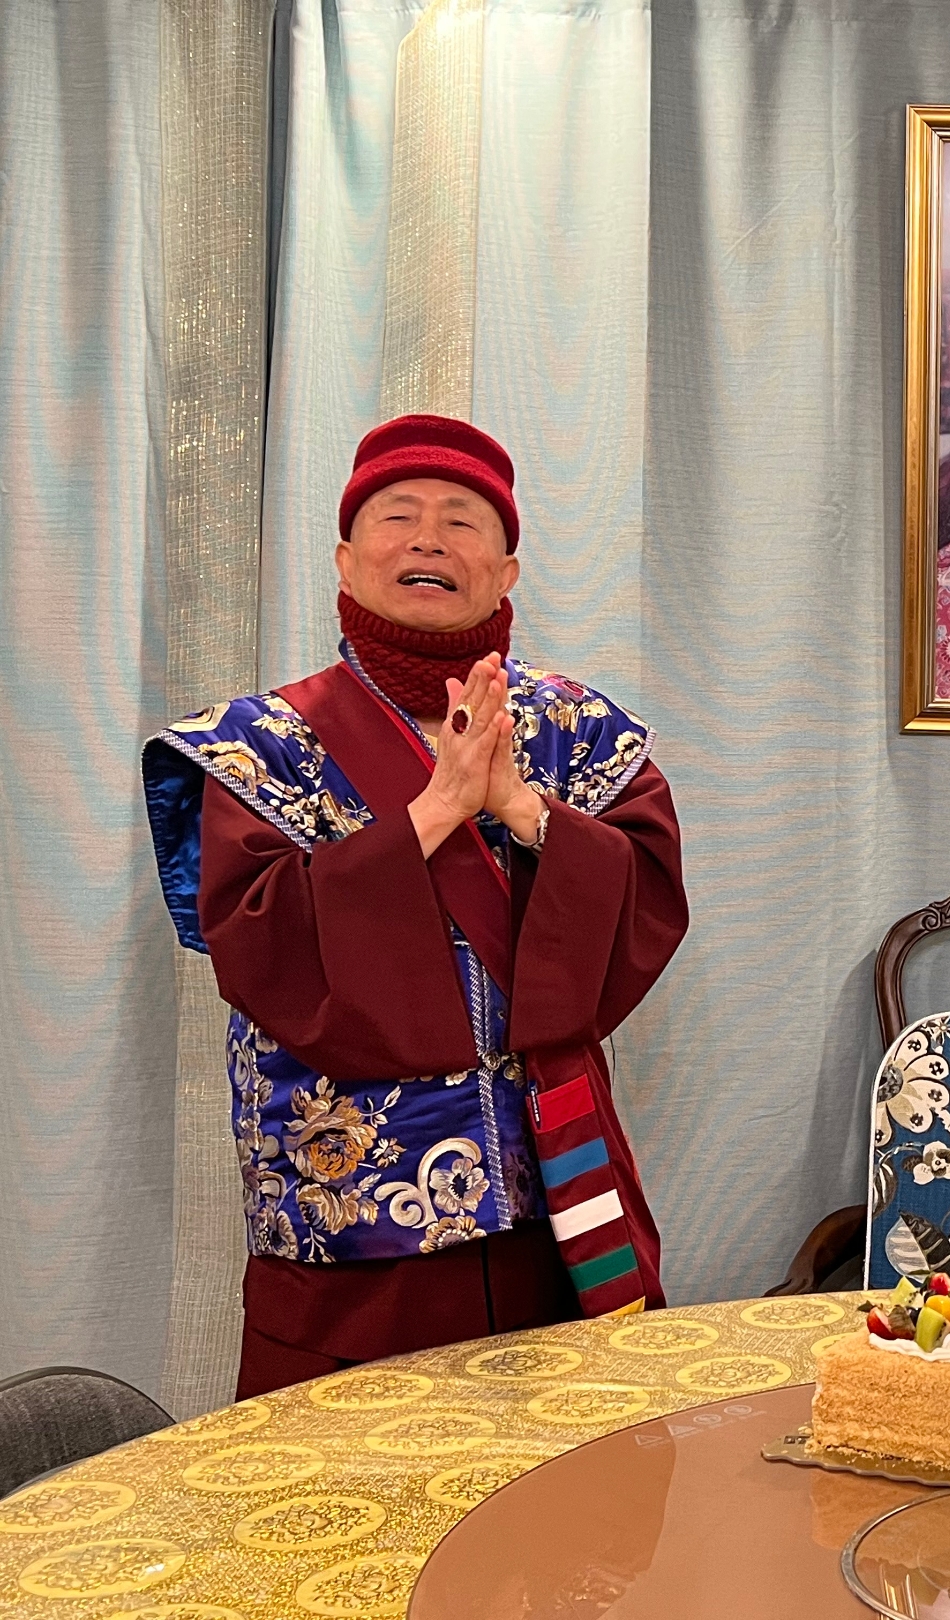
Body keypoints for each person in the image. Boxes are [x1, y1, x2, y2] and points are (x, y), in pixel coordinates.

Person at [143, 414, 689, 1398]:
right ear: (347, 561)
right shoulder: (261, 744)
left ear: (506, 572)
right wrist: (435, 811)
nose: (429, 539)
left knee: (560, 1470)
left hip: (549, 1206)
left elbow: (646, 901)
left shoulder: (576, 729)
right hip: (349, 1221)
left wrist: (523, 809)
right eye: (398, 516)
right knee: (334, 1479)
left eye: (462, 522)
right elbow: (261, 944)